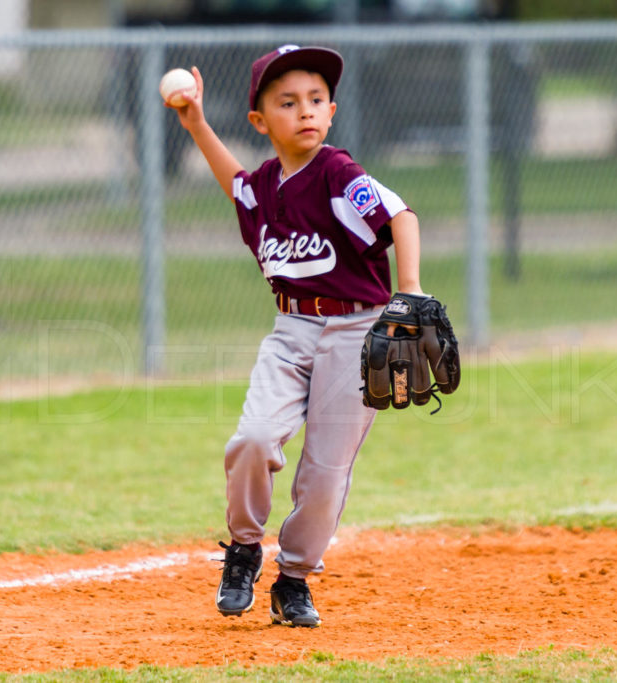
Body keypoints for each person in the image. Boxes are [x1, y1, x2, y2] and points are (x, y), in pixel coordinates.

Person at [167, 44, 425, 628]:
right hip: (291, 328)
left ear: (331, 112)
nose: (305, 111)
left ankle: (294, 580)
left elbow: (400, 217)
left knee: (325, 472)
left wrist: (407, 293)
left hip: (357, 328)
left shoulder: (338, 173)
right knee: (255, 437)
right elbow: (233, 180)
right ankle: (243, 548)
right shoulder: (261, 190)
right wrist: (198, 124)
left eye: (315, 100)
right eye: (287, 103)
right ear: (260, 122)